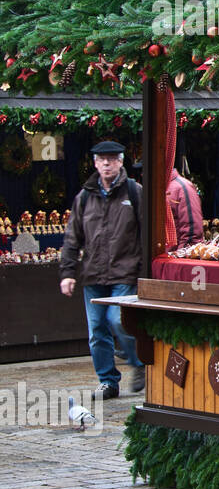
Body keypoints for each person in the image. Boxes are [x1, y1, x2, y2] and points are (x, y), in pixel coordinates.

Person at [59, 140, 147, 399]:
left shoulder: (134, 191)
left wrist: (144, 271)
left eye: (112, 159)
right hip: (93, 274)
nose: (107, 163)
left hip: (125, 271)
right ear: (95, 164)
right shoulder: (85, 197)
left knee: (118, 321)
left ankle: (140, 364)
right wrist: (67, 273)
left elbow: (146, 233)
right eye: (102, 159)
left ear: (121, 162)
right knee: (96, 330)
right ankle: (108, 381)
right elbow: (72, 237)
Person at [166, 159, 203, 250]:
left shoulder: (183, 188)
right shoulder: (156, 187)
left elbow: (192, 234)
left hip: (172, 259)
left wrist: (179, 260)